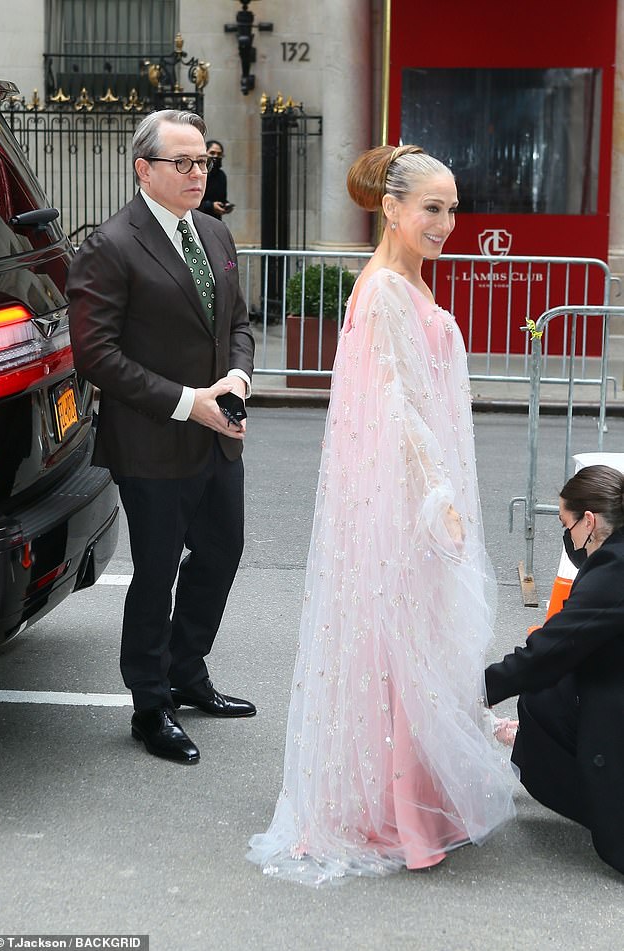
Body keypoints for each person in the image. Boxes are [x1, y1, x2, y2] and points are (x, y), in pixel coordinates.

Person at [246, 145, 515, 885]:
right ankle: (394, 809)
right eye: (432, 208)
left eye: (453, 208)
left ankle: (417, 801)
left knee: (414, 643)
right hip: (404, 502)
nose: (447, 223)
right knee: (399, 645)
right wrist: (437, 499)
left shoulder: (406, 282)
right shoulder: (387, 291)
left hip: (415, 497)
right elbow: (394, 410)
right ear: (391, 210)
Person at [67, 110, 256, 765]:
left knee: (222, 552)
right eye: (182, 162)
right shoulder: (111, 245)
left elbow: (238, 322)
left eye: (201, 160)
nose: (197, 172)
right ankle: (151, 706)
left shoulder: (214, 231)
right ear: (144, 168)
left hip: (218, 434)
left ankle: (187, 671)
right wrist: (186, 403)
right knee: (155, 578)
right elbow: (95, 354)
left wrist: (235, 375)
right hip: (152, 444)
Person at [485, 464, 624, 875]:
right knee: (550, 690)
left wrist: (480, 687)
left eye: (567, 524)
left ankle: (602, 799)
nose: (567, 538)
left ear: (590, 521)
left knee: (539, 696)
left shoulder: (613, 572)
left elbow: (551, 649)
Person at [199, 140, 232, 221]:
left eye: (219, 154)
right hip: (198, 218)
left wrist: (225, 205)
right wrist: (210, 206)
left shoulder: (221, 175)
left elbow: (221, 198)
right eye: (212, 153)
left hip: (215, 220)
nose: (216, 156)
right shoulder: (198, 173)